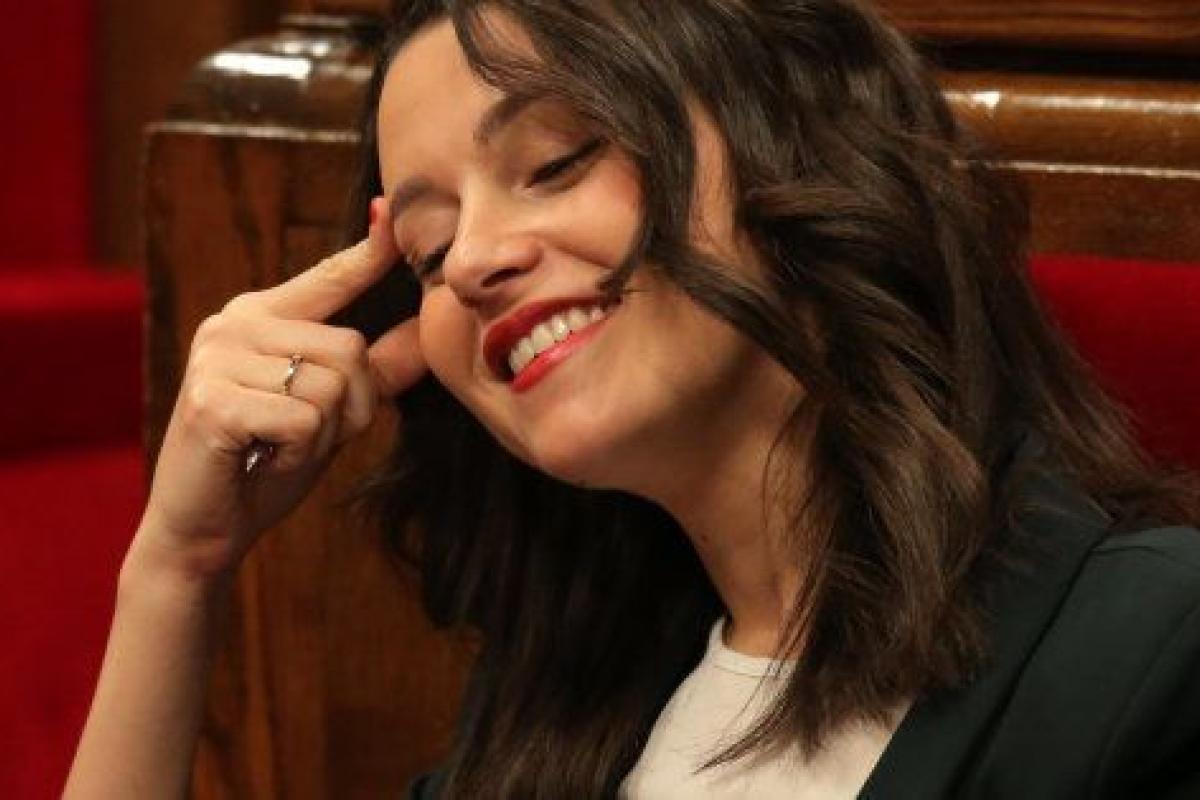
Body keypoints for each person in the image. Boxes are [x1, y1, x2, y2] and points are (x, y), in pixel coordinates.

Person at [67, 1, 1200, 798]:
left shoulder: (1152, 650)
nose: (474, 262)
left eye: (557, 160)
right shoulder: (559, 719)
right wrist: (177, 567)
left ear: (794, 144)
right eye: (428, 248)